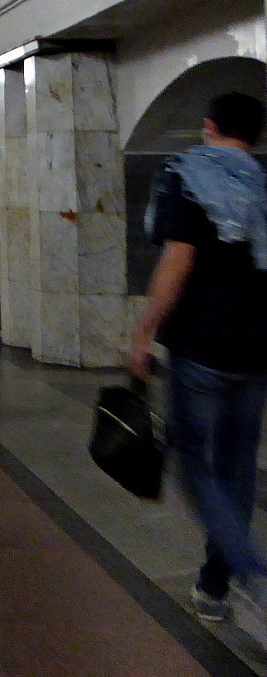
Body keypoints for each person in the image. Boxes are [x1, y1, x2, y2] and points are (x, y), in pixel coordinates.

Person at [129, 91, 267, 638]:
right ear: (256, 135)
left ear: (209, 126)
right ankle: (213, 586)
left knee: (193, 463)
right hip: (257, 349)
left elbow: (177, 261)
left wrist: (143, 333)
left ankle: (254, 577)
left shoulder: (187, 176)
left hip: (201, 345)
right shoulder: (264, 183)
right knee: (237, 467)